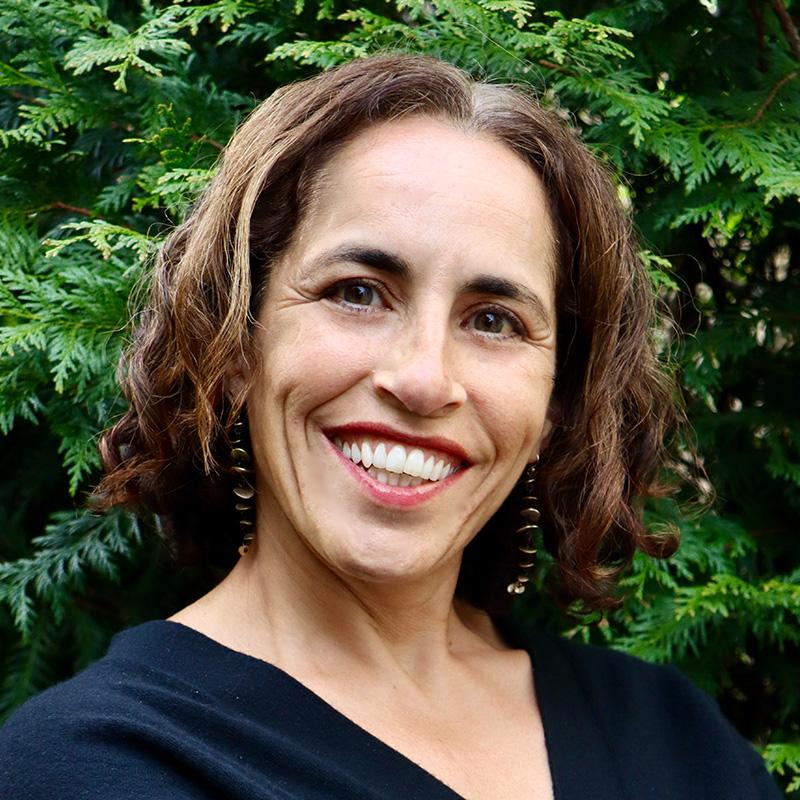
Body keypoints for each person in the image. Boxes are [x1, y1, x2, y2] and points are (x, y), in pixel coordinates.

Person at [0, 54, 781, 800]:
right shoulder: (88, 768)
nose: (422, 378)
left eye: (495, 320)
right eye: (358, 292)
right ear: (234, 343)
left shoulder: (677, 742)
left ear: (555, 405)